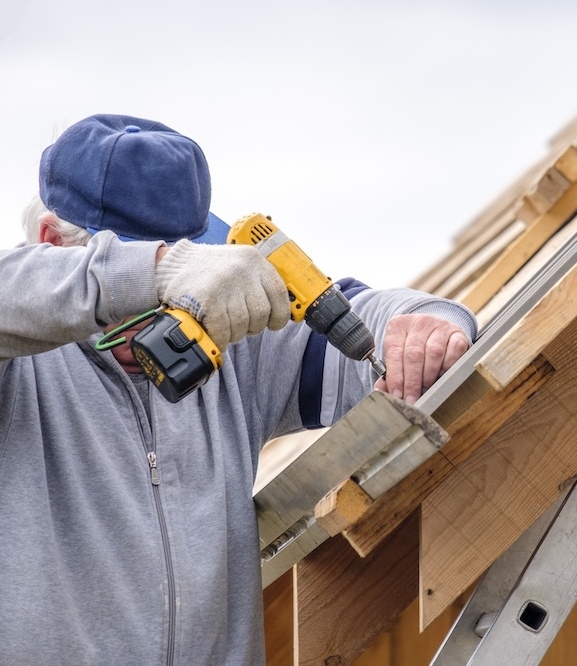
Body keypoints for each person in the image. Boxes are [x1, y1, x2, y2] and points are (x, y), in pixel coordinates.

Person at [0, 114, 477, 665]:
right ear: (50, 242)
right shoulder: (19, 365)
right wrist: (154, 272)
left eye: (191, 262)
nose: (170, 309)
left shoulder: (227, 349)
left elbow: (370, 315)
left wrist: (428, 325)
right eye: (158, 278)